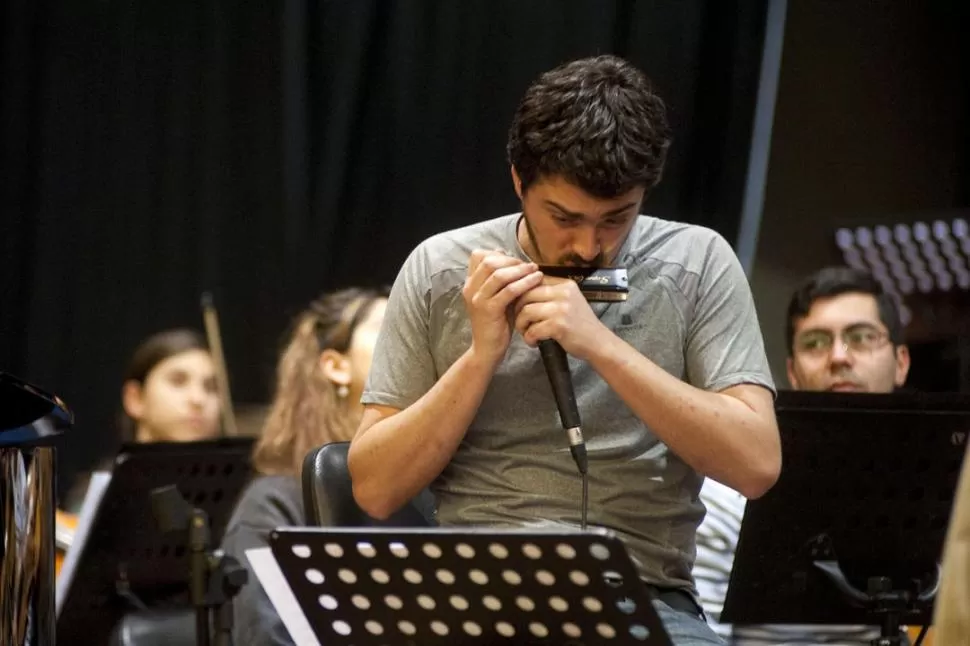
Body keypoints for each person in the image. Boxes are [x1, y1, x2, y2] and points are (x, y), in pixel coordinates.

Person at [348, 55, 781, 645]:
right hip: (474, 591)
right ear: (519, 182)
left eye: (616, 218)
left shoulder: (698, 262)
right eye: (563, 217)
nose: (588, 246)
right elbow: (375, 488)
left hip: (642, 595)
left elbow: (756, 465)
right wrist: (480, 356)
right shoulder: (439, 267)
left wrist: (599, 344)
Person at [695, 266, 911, 644]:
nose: (839, 357)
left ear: (902, 362)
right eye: (815, 342)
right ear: (792, 372)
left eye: (862, 338)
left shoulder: (936, 497)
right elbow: (699, 635)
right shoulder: (732, 491)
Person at [221, 288, 387, 646]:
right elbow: (266, 636)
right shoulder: (273, 503)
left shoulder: (437, 484)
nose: (413, 341)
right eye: (391, 327)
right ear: (335, 366)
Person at [61, 328, 223, 514]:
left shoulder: (228, 492)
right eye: (178, 381)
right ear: (135, 399)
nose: (198, 399)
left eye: (210, 387)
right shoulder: (99, 493)